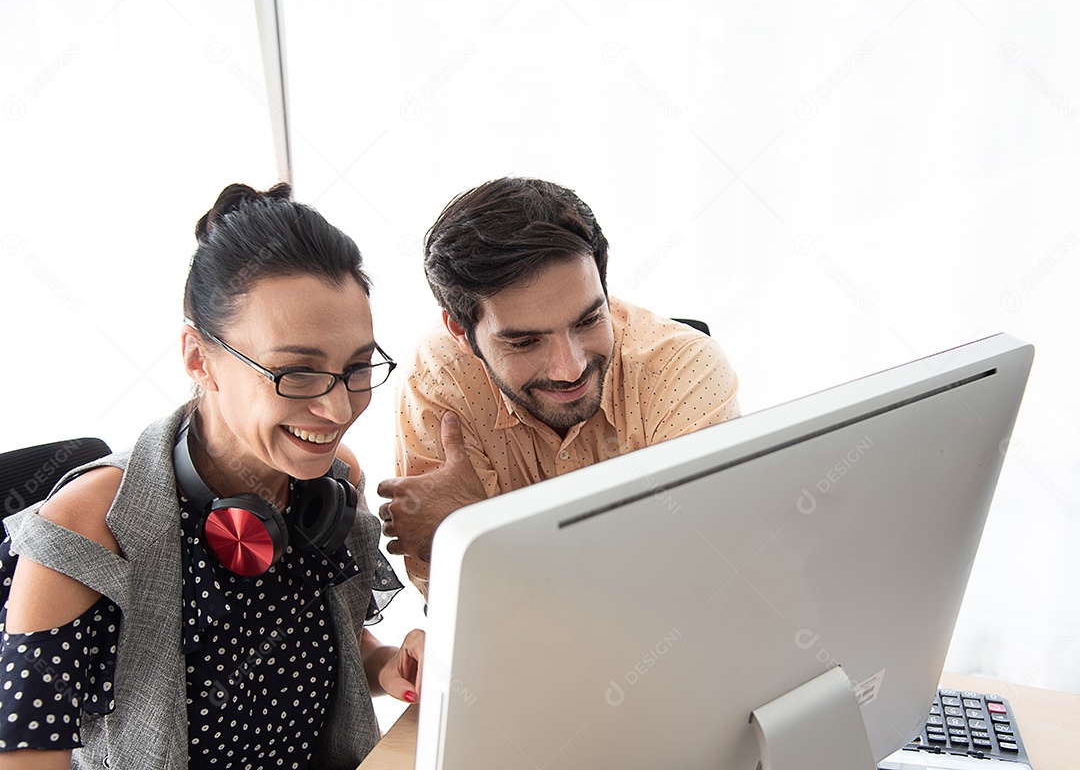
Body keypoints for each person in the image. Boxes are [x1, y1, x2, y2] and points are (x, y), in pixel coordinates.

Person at [0, 183, 422, 769]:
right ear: (199, 359)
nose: (337, 409)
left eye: (355, 367)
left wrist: (387, 664)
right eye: (296, 372)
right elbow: (27, 759)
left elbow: (335, 646)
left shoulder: (333, 481)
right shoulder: (84, 528)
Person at [378, 176, 740, 598]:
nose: (570, 369)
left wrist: (477, 533)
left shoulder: (686, 368)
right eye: (524, 342)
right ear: (460, 332)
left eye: (588, 320)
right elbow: (463, 607)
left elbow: (701, 582)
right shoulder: (437, 380)